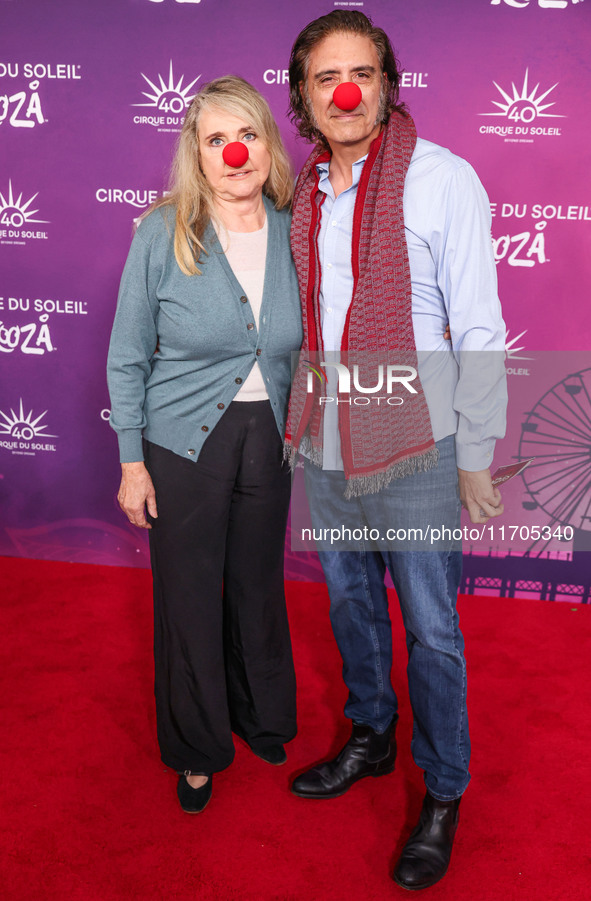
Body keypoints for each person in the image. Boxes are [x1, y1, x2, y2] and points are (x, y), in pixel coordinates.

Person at [284, 11, 507, 890]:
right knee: (349, 604)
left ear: (385, 82)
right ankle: (372, 735)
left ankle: (443, 789)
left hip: (417, 439)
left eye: (362, 73)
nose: (344, 90)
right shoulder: (305, 189)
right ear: (302, 94)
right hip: (327, 438)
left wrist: (475, 452)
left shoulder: (440, 178)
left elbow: (479, 323)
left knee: (432, 627)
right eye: (324, 76)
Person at [107, 76, 302, 814]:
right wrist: (132, 461)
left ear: (267, 144)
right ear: (197, 151)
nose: (234, 150)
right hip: (181, 441)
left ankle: (261, 716)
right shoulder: (164, 231)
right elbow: (128, 354)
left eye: (246, 133)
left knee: (256, 582)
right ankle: (196, 747)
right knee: (188, 592)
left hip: (270, 434)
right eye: (215, 137)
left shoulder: (294, 226)